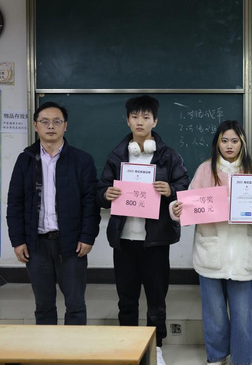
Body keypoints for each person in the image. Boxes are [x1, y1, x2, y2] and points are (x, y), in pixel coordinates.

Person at [96, 95, 190, 365]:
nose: (140, 122)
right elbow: (100, 190)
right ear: (127, 120)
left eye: (146, 117)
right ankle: (127, 346)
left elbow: (184, 187)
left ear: (155, 121)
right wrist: (106, 195)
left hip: (156, 240)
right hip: (124, 240)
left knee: (156, 298)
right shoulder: (117, 155)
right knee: (126, 298)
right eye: (135, 117)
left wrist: (171, 189)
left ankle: (155, 346)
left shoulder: (169, 155)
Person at [170, 120, 252, 365]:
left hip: (243, 254)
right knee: (214, 315)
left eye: (234, 141)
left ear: (242, 143)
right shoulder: (205, 169)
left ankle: (242, 359)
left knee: (242, 316)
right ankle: (216, 357)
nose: (229, 145)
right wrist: (177, 209)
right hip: (211, 252)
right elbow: (189, 206)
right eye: (224, 140)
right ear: (217, 142)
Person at [7, 101, 100, 325]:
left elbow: (91, 203)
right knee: (43, 306)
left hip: (71, 245)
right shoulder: (25, 160)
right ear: (36, 126)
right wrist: (18, 241)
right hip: (36, 244)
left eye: (57, 121)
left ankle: (72, 348)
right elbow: (15, 202)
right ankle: (46, 347)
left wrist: (87, 237)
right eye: (45, 121)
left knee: (75, 305)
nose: (51, 126)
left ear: (65, 126)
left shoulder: (82, 160)